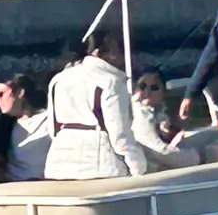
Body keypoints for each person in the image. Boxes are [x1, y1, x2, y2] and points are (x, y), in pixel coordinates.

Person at [44, 29, 148, 179]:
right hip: (100, 167)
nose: (122, 57)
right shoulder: (111, 81)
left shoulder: (58, 79)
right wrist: (138, 168)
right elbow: (120, 135)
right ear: (99, 53)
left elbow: (52, 129)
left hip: (57, 164)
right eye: (117, 51)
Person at [0, 74, 52, 185]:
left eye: (1, 94)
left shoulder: (50, 120)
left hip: (44, 185)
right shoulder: (4, 124)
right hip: (11, 185)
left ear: (20, 93)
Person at [130, 66, 203, 169]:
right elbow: (159, 151)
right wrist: (197, 157)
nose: (147, 92)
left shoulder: (159, 115)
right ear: (135, 90)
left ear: (163, 93)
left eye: (154, 88)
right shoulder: (141, 114)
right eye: (142, 86)